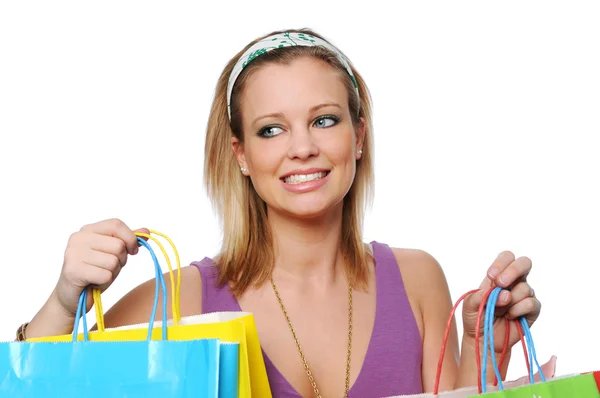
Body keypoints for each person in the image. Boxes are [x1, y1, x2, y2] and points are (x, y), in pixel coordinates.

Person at [18, 28, 541, 397]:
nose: (302, 148)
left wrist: (480, 345)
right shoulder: (181, 300)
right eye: (271, 129)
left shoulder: (417, 279)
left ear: (358, 137)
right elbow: (37, 386)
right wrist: (65, 300)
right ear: (241, 154)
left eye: (324, 120)